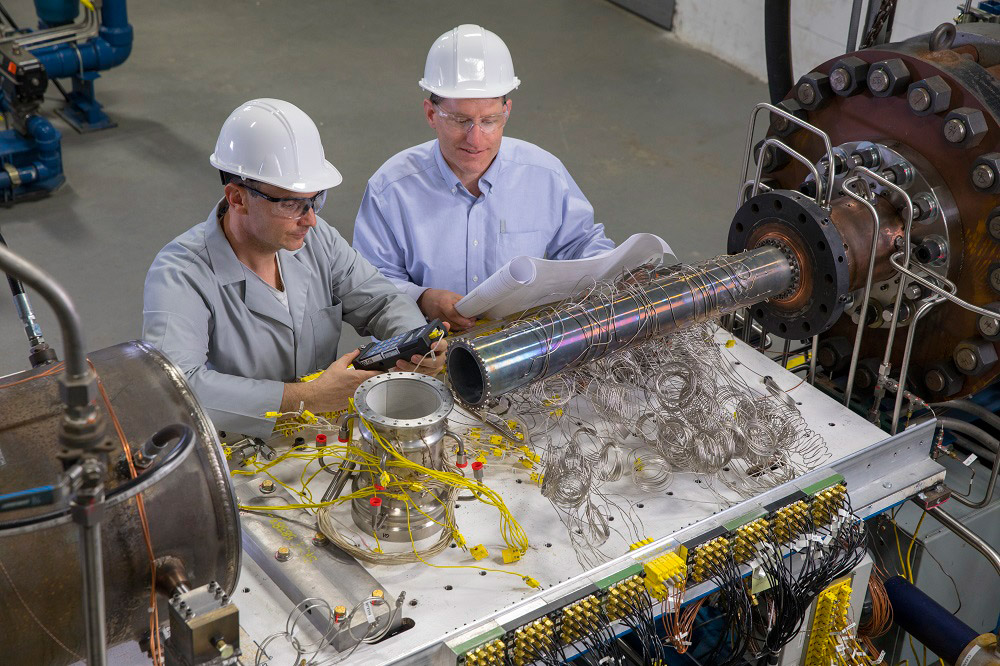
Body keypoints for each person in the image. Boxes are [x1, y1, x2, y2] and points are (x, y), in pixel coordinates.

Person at [142, 98, 445, 438]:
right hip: (241, 450)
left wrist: (418, 344)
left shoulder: (316, 240)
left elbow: (381, 302)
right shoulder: (180, 274)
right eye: (291, 204)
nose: (311, 219)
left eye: (316, 199)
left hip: (325, 434)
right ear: (237, 197)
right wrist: (307, 398)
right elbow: (177, 389)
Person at [353, 24, 614, 330]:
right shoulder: (391, 190)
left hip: (524, 343)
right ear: (430, 114)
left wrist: (615, 270)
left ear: (507, 113)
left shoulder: (544, 175)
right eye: (460, 120)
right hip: (427, 351)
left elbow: (581, 244)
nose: (475, 140)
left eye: (489, 121)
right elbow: (366, 287)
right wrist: (423, 299)